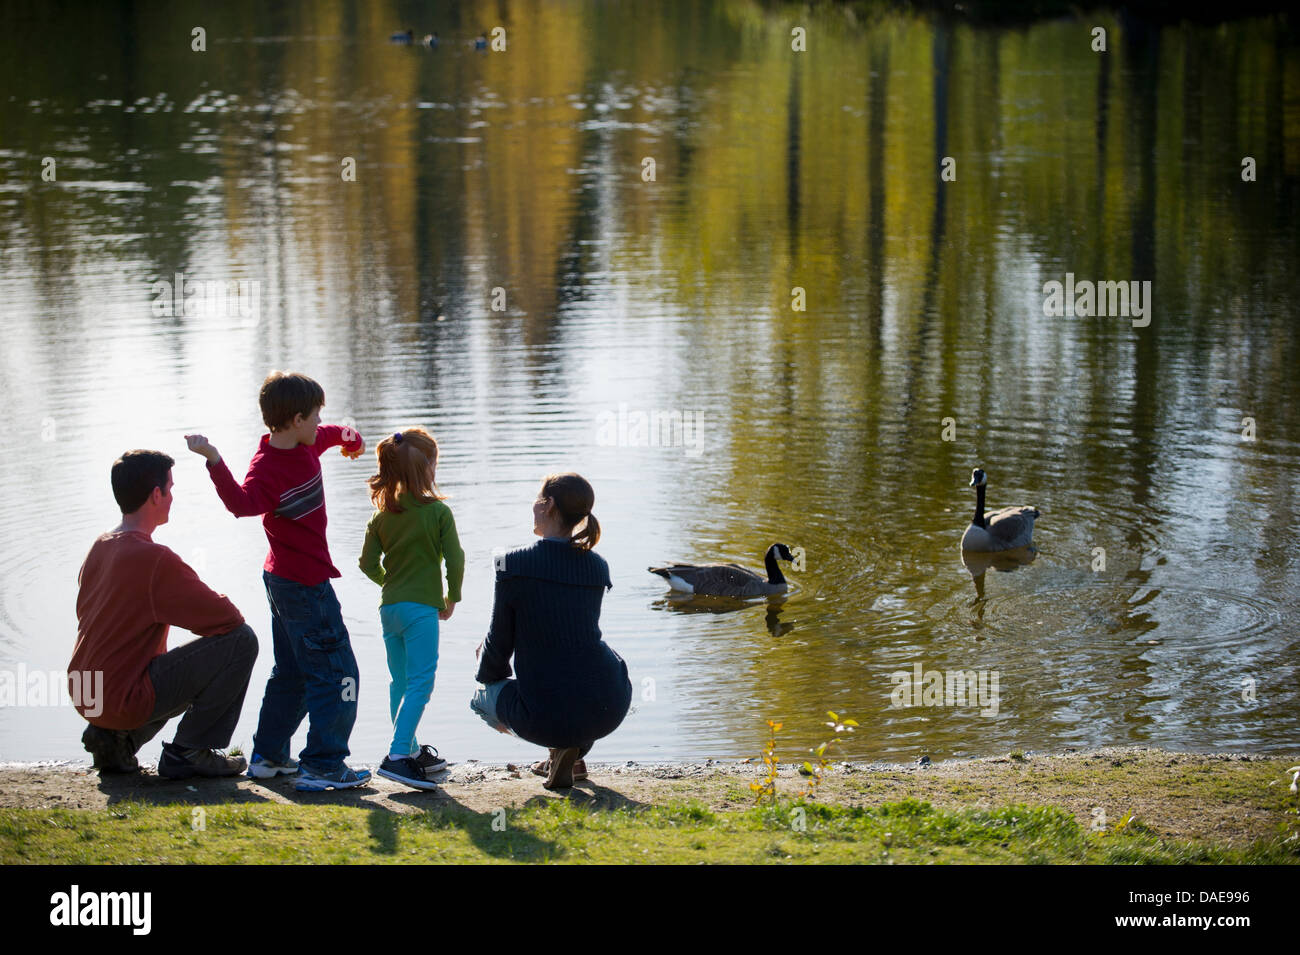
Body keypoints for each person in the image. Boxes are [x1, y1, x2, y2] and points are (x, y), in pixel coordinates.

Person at [185, 370, 370, 792]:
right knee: (338, 674)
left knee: (292, 672)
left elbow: (333, 433)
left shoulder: (309, 440)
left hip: (284, 581)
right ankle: (324, 764)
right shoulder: (267, 468)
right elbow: (240, 504)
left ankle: (268, 757)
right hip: (302, 587)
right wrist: (214, 460)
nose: (321, 421)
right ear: (296, 419)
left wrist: (352, 438)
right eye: (316, 414)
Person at [71, 450, 257, 778]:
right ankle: (190, 751)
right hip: (119, 696)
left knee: (160, 665)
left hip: (86, 691)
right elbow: (228, 619)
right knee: (242, 642)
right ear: (156, 495)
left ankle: (115, 739)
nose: (172, 497)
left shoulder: (100, 546)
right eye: (170, 489)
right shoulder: (154, 559)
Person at [471, 473, 631, 789]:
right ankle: (570, 753)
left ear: (548, 505)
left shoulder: (510, 563)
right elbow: (573, 633)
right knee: (570, 670)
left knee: (480, 699)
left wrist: (488, 674)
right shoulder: (598, 566)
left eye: (537, 498)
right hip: (608, 704)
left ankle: (560, 745)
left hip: (546, 716)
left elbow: (499, 639)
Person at [359, 428, 464, 791]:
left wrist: (391, 584)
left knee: (399, 682)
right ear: (427, 470)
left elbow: (367, 564)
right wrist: (452, 596)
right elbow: (455, 557)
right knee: (421, 682)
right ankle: (398, 755)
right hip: (420, 611)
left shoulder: (381, 516)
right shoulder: (438, 512)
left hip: (389, 609)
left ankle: (413, 750)